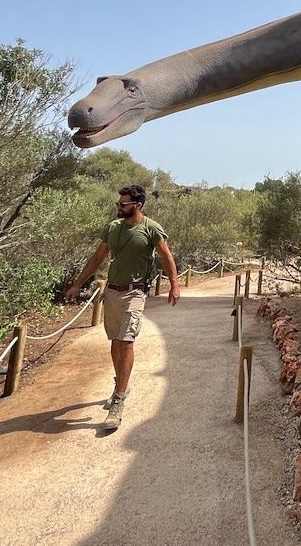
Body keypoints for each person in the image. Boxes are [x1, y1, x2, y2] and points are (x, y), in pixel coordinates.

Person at [65, 184, 180, 431]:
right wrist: (77, 284)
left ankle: (118, 401)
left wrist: (174, 284)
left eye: (123, 204)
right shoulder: (113, 228)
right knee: (115, 343)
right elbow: (97, 257)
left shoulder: (151, 228)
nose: (119, 207)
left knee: (126, 341)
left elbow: (165, 256)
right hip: (112, 292)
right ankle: (121, 383)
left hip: (135, 292)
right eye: (118, 203)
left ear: (137, 206)